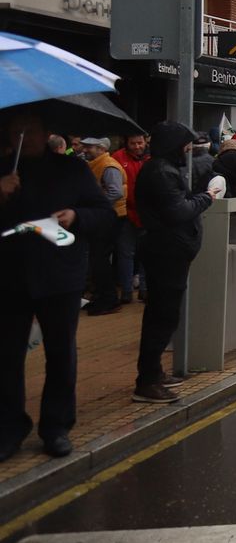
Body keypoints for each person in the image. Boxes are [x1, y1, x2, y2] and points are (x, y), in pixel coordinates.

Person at [0, 108, 115, 459]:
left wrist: (76, 215)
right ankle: (8, 427)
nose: (24, 135)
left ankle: (56, 426)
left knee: (61, 353)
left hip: (59, 276)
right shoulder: (3, 170)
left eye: (31, 129)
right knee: (5, 357)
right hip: (9, 276)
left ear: (46, 132)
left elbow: (105, 215)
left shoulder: (72, 169)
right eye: (17, 128)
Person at [133, 121, 217, 402]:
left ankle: (153, 373)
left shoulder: (164, 170)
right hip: (165, 252)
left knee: (163, 315)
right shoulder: (161, 172)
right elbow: (177, 212)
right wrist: (206, 198)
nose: (189, 149)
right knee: (162, 316)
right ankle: (147, 381)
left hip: (171, 251)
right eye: (185, 145)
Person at [77, 137, 127, 316]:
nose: (85, 149)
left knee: (100, 259)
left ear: (100, 148)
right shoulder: (96, 164)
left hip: (110, 217)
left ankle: (109, 299)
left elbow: (116, 192)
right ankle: (102, 297)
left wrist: (94, 203)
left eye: (89, 147)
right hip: (103, 217)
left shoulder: (108, 165)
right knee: (97, 259)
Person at [112, 132, 149, 302]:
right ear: (126, 143)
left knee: (145, 253)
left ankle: (145, 289)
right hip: (126, 213)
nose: (137, 146)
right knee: (125, 253)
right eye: (133, 143)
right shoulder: (118, 157)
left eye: (140, 143)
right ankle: (126, 291)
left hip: (147, 213)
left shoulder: (151, 157)